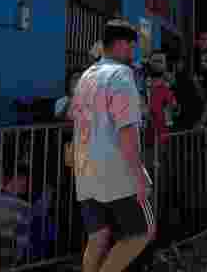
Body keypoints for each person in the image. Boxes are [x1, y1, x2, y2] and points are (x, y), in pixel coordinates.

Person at [70, 20, 155, 272]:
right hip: (117, 172)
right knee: (144, 231)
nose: (133, 53)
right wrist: (139, 177)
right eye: (131, 46)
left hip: (85, 171)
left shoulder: (86, 76)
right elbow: (127, 131)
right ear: (120, 44)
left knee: (97, 238)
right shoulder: (121, 76)